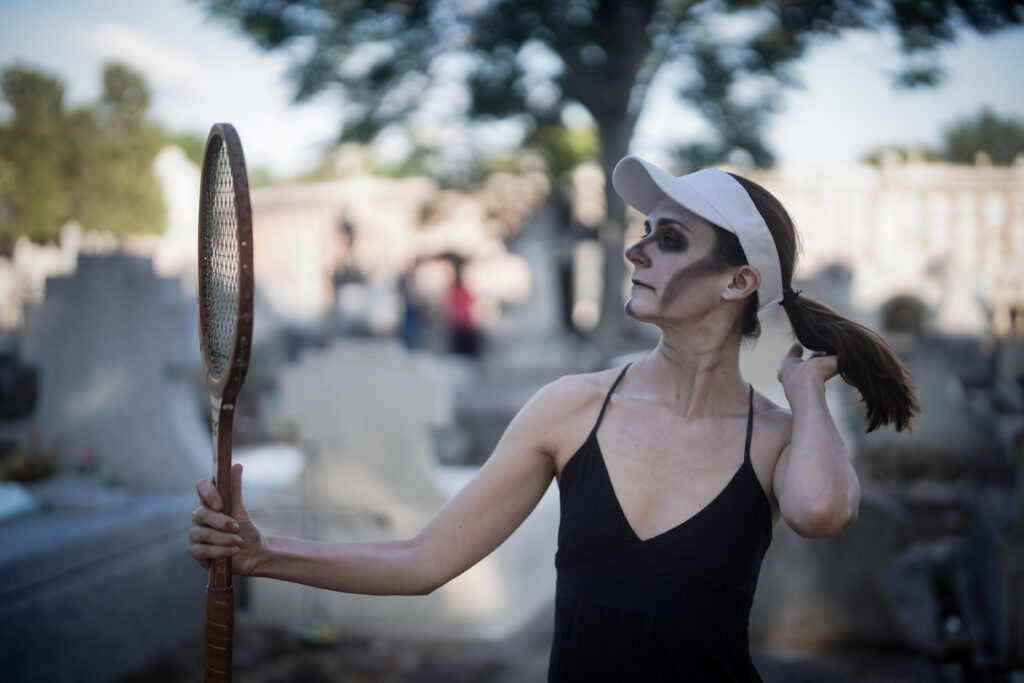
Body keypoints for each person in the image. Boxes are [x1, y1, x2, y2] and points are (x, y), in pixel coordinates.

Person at [189, 156, 920, 682]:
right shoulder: (572, 406)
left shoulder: (777, 436)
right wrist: (261, 554)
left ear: (739, 280)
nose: (636, 248)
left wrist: (806, 386)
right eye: (644, 229)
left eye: (670, 238)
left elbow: (823, 508)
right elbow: (422, 560)